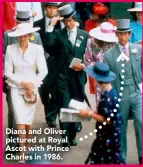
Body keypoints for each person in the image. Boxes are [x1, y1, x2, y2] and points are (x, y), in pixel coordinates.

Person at [44, 4, 89, 146]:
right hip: (61, 76)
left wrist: (83, 66)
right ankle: (64, 137)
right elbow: (48, 45)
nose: (68, 24)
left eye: (70, 20)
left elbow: (90, 57)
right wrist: (51, 27)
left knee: (75, 106)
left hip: (77, 76)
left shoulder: (85, 35)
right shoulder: (58, 34)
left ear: (74, 19)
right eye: (65, 21)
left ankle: (72, 135)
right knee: (64, 105)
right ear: (62, 22)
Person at [4, 23, 48, 164]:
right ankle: (22, 151)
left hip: (32, 88)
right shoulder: (10, 49)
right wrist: (22, 82)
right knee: (20, 120)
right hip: (16, 88)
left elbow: (43, 70)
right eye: (20, 35)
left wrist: (32, 84)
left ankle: (26, 147)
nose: (23, 38)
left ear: (30, 36)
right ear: (16, 37)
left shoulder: (37, 49)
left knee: (28, 122)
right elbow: (8, 72)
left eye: (25, 35)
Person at [103, 19, 142, 164]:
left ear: (129, 34)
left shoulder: (138, 49)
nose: (123, 37)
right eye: (120, 34)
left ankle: (142, 154)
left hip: (137, 91)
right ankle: (122, 157)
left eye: (125, 34)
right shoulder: (109, 54)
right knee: (121, 126)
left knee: (141, 122)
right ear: (116, 35)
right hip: (119, 93)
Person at [78, 62, 123, 164]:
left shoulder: (108, 97)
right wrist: (92, 111)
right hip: (109, 136)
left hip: (108, 138)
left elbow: (107, 119)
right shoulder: (111, 92)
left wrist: (89, 114)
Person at [34, 2, 64, 127]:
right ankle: (49, 112)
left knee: (57, 90)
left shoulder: (61, 24)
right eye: (50, 8)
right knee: (43, 89)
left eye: (54, 8)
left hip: (56, 61)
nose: (52, 10)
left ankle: (51, 116)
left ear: (57, 10)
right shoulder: (37, 24)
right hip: (40, 61)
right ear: (45, 9)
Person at [84, 22, 118, 108]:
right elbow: (88, 60)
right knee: (101, 103)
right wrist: (98, 70)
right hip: (99, 75)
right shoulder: (91, 42)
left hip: (114, 75)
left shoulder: (116, 43)